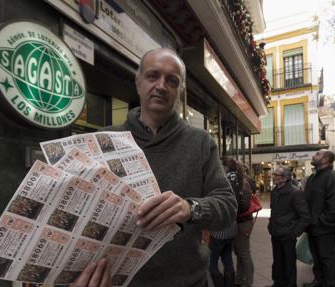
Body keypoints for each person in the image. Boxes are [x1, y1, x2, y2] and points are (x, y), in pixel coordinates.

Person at [76, 48, 237, 286]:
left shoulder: (201, 142)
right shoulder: (103, 141)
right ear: (138, 81)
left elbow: (228, 206)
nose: (161, 85)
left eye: (172, 80)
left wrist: (190, 208)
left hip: (188, 282)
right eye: (153, 76)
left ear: (180, 91)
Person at [303, 150, 335, 287]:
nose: (314, 156)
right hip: (313, 227)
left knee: (327, 258)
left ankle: (330, 284)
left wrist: (321, 221)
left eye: (318, 154)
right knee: (316, 257)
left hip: (324, 228)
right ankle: (319, 281)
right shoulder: (312, 177)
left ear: (326, 160)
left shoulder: (333, 177)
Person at [268, 166, 311, 287]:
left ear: (285, 178)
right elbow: (273, 210)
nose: (274, 176)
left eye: (276, 175)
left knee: (289, 262)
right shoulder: (274, 191)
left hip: (288, 233)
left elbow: (305, 216)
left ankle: (290, 284)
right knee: (277, 261)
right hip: (276, 232)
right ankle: (278, 282)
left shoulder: (295, 192)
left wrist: (295, 232)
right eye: (274, 174)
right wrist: (271, 225)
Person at [234, 161, 255, 287]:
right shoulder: (240, 183)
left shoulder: (244, 183)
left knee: (244, 253)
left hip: (243, 221)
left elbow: (244, 205)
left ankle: (247, 281)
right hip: (241, 221)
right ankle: (239, 279)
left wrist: (231, 208)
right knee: (239, 252)